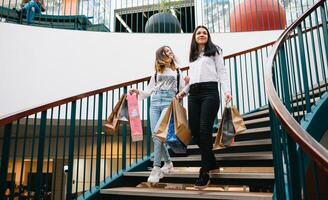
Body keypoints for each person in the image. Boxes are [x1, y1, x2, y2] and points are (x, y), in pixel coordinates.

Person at [176, 25, 232, 189]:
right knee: (194, 129)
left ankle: (205, 171)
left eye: (204, 33)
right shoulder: (193, 56)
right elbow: (193, 78)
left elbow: (222, 71)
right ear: (194, 37)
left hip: (210, 92)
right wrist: (183, 92)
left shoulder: (215, 50)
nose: (201, 35)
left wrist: (227, 91)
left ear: (208, 36)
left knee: (204, 129)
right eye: (198, 33)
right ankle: (213, 162)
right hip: (194, 93)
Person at [129, 46, 187, 183]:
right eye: (166, 51)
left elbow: (183, 91)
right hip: (154, 103)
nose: (170, 52)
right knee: (156, 136)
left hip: (169, 102)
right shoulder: (156, 73)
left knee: (157, 132)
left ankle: (156, 168)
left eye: (171, 50)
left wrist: (187, 85)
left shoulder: (178, 72)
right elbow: (149, 91)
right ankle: (168, 163)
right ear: (161, 55)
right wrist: (138, 92)